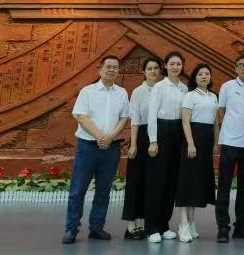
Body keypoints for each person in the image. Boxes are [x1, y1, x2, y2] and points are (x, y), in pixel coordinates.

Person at [62, 55, 129, 244]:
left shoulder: (122, 93)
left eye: (115, 67)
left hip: (111, 148)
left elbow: (124, 117)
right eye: (108, 66)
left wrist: (110, 137)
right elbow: (81, 116)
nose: (112, 70)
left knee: (103, 191)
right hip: (88, 147)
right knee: (78, 190)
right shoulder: (87, 91)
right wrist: (100, 136)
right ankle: (71, 228)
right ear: (100, 70)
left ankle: (97, 228)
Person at [215, 54, 244, 242]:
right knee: (224, 186)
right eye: (240, 65)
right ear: (235, 68)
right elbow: (221, 111)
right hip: (229, 142)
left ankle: (240, 227)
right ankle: (222, 228)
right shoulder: (227, 87)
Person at [145, 52, 188, 243]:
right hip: (162, 131)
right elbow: (151, 115)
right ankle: (152, 228)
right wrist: (153, 141)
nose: (175, 67)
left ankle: (164, 225)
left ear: (182, 66)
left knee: (172, 181)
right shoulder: (159, 87)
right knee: (158, 181)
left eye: (178, 64)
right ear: (165, 65)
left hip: (178, 132)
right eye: (172, 63)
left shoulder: (184, 88)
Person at [176, 63, 220, 242]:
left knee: (197, 182)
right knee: (187, 181)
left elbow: (215, 122)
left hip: (207, 142)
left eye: (206, 73)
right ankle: (183, 224)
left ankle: (191, 222)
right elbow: (185, 121)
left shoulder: (213, 96)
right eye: (200, 74)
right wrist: (191, 143)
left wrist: (216, 143)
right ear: (195, 77)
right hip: (193, 140)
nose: (203, 76)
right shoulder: (190, 96)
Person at [122, 56, 163, 240]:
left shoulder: (163, 89)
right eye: (149, 68)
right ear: (144, 72)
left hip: (160, 137)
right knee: (135, 181)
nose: (153, 71)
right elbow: (135, 120)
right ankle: (131, 225)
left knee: (152, 182)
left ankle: (147, 223)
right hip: (142, 138)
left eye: (156, 68)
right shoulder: (138, 92)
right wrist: (133, 144)